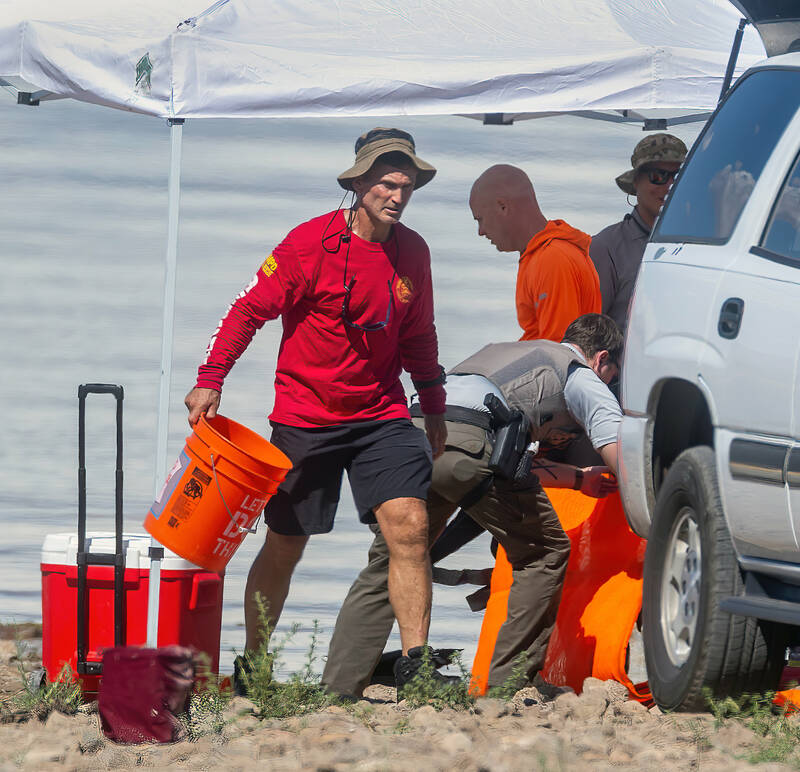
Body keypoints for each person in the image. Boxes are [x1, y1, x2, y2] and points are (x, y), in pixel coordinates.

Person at [185, 127, 449, 689]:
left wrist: (432, 406)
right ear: (358, 184)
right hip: (306, 416)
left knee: (410, 526)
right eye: (386, 184)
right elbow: (246, 311)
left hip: (381, 414)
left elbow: (419, 335)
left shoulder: (414, 252)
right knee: (285, 543)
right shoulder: (309, 244)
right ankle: (254, 665)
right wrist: (211, 380)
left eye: (407, 186)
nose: (397, 196)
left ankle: (416, 668)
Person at [323, 314, 624, 697]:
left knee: (392, 560)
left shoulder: (503, 356)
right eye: (611, 375)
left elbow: (505, 457)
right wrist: (649, 502)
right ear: (601, 359)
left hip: (410, 436)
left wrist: (580, 479)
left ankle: (338, 689)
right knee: (545, 552)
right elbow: (616, 444)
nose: (609, 382)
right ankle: (509, 686)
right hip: (464, 447)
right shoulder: (578, 373)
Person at [469, 164, 601, 341]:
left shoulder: (553, 259)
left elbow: (559, 353)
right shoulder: (536, 255)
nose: (481, 231)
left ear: (502, 206)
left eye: (480, 219)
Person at [589, 133, 687, 335]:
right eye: (657, 176)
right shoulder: (606, 247)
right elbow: (590, 332)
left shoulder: (705, 243)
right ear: (636, 181)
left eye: (677, 176)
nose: (669, 186)